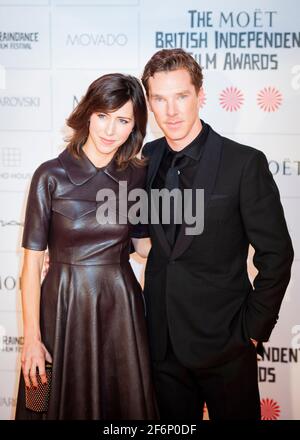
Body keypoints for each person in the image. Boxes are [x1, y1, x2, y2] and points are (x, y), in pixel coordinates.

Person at [140, 48, 294, 420]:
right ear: (149, 103)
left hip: (226, 345)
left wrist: (251, 332)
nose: (171, 110)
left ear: (201, 95)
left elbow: (277, 255)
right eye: (160, 99)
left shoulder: (244, 163)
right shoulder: (145, 159)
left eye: (181, 96)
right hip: (162, 346)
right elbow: (137, 234)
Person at [15, 73, 158, 420]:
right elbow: (32, 266)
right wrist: (31, 338)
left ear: (135, 127)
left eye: (123, 120)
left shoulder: (137, 176)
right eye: (103, 116)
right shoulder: (49, 176)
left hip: (120, 308)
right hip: (60, 307)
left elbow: (143, 245)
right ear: (88, 115)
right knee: (44, 403)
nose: (110, 131)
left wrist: (201, 253)